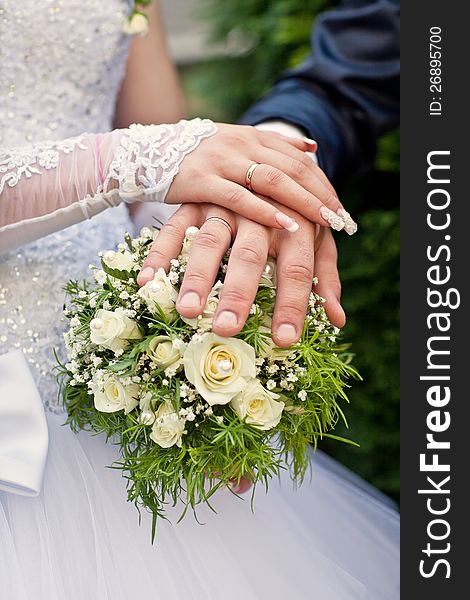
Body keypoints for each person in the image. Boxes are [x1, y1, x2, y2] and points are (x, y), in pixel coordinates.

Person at [0, 1, 399, 599]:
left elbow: (160, 179)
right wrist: (133, 160)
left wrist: (229, 229)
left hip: (109, 351)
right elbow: (155, 153)